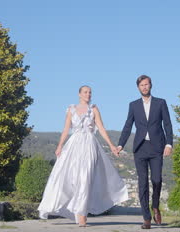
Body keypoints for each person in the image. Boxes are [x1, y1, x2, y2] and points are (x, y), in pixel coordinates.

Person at [38, 85, 129, 227]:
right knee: (70, 177)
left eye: (90, 92)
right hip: (74, 145)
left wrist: (111, 145)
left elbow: (102, 128)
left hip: (90, 145)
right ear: (79, 94)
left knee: (85, 179)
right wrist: (60, 145)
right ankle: (72, 209)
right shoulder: (71, 110)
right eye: (85, 92)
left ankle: (82, 216)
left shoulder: (94, 109)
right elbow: (65, 129)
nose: (88, 94)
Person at [117, 75, 173, 229]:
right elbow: (128, 125)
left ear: (151, 85)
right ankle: (146, 218)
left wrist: (169, 144)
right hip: (140, 148)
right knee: (142, 183)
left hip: (157, 147)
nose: (144, 87)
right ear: (138, 87)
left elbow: (167, 124)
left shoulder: (161, 103)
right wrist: (120, 144)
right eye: (142, 85)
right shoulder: (133, 105)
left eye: (146, 84)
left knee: (156, 180)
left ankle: (155, 206)